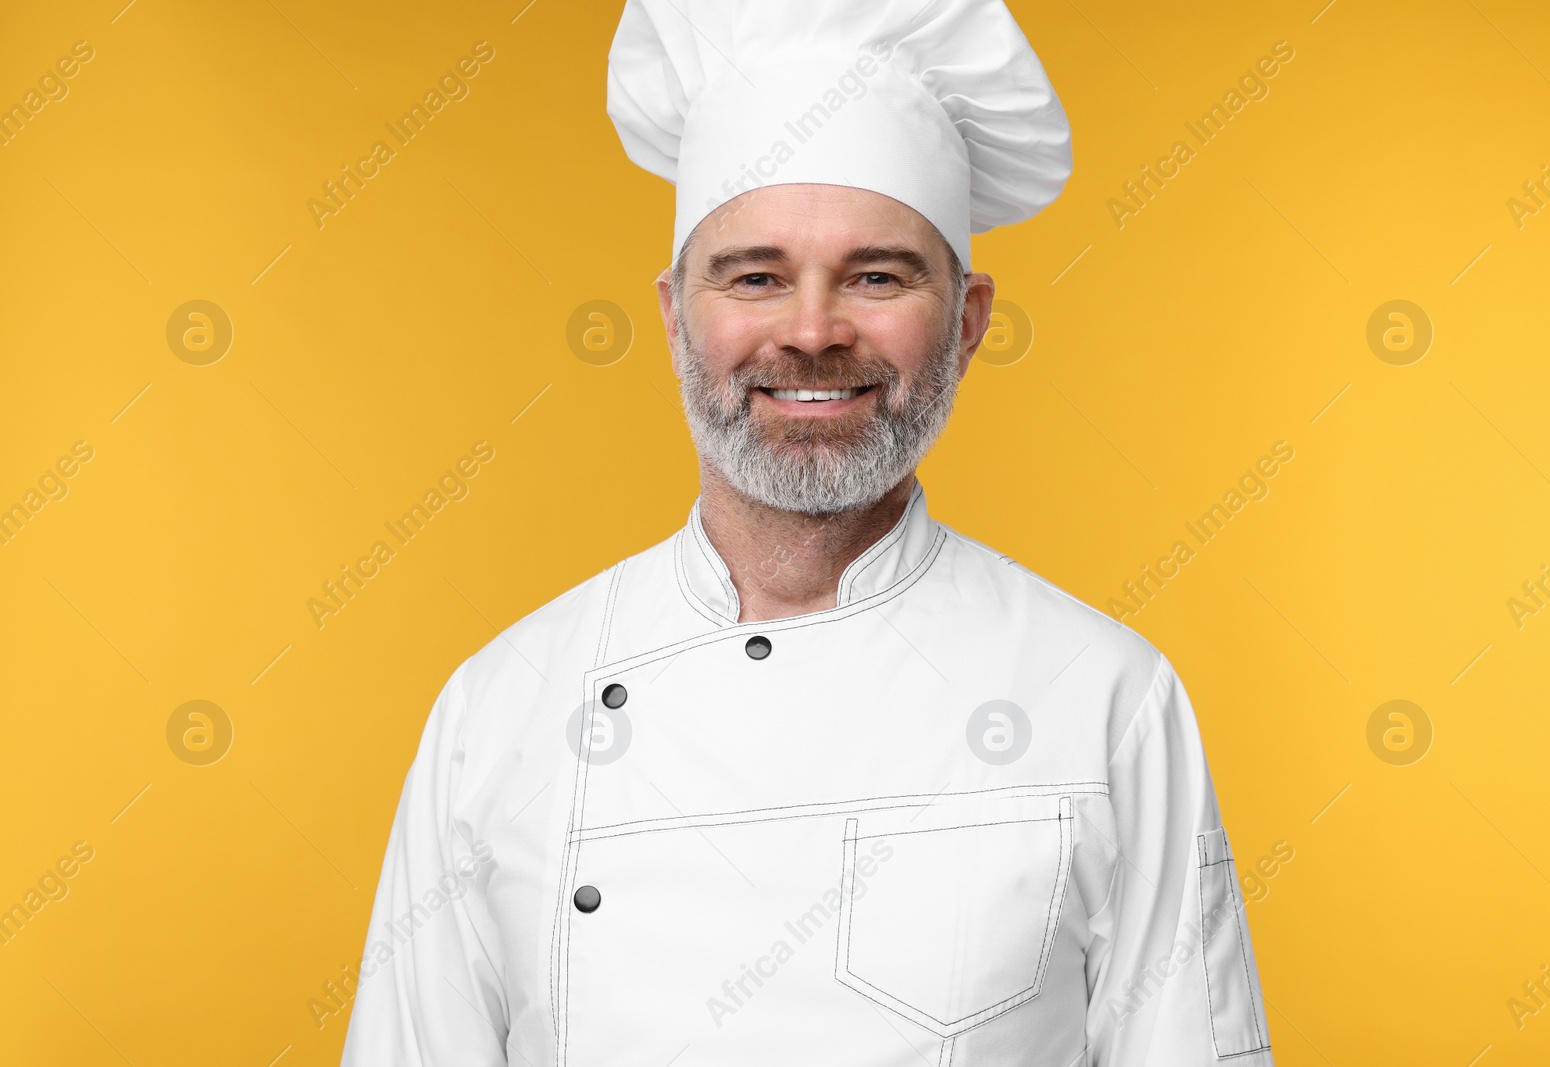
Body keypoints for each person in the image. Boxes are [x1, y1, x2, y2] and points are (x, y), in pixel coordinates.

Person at [341, 1, 1274, 1063]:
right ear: (673, 315)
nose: (812, 330)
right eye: (755, 276)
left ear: (966, 321)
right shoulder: (499, 709)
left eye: (877, 275)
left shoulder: (1105, 697)